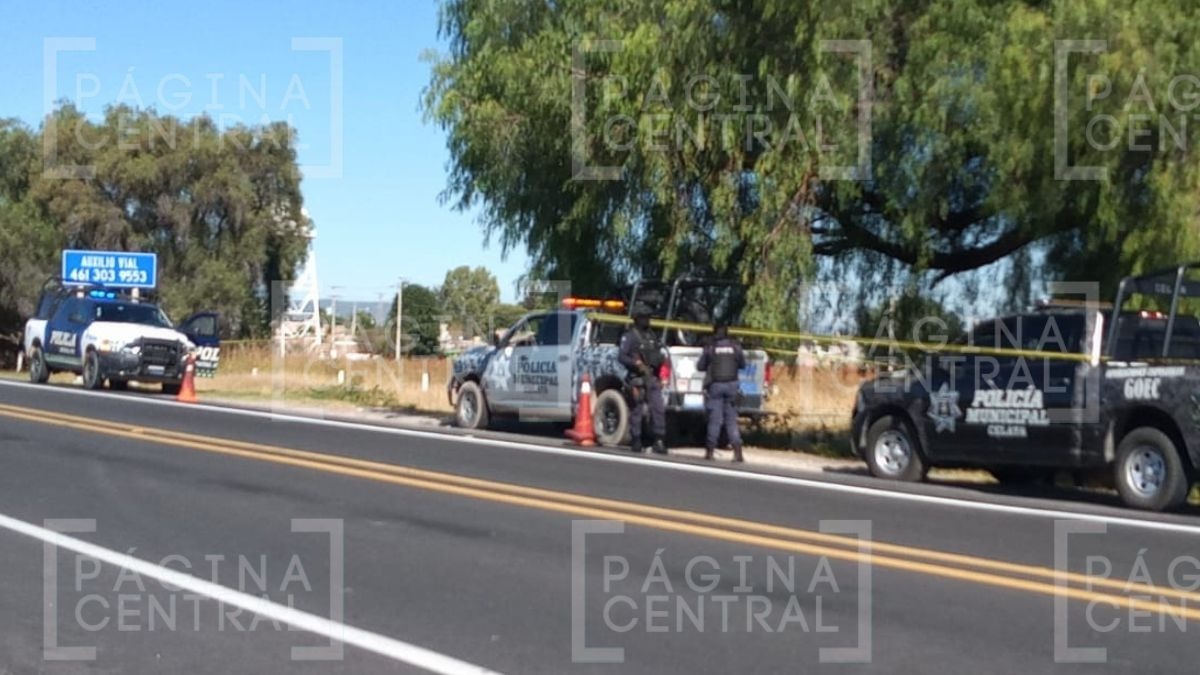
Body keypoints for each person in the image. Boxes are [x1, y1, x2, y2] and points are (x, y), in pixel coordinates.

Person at [618, 306, 668, 454]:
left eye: (648, 317)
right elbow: (622, 356)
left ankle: (659, 440)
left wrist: (662, 374)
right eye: (644, 317)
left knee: (658, 409)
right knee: (637, 410)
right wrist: (635, 363)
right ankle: (636, 440)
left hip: (652, 377)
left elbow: (659, 355)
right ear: (637, 318)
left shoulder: (652, 335)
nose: (647, 320)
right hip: (637, 377)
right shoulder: (630, 336)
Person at [697, 322, 746, 462]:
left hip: (716, 386)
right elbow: (742, 364)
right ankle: (738, 453)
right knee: (731, 421)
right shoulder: (735, 346)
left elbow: (700, 366)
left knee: (715, 420)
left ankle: (710, 452)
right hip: (732, 386)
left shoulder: (710, 347)